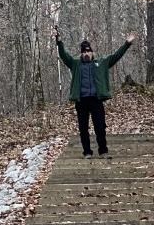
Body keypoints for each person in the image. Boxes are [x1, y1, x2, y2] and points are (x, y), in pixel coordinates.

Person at [55, 27, 136, 158]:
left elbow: (116, 56)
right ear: (81, 54)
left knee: (100, 127)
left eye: (88, 51)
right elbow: (64, 55)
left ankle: (103, 151)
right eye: (84, 52)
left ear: (92, 52)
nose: (86, 54)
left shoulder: (101, 62)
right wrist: (59, 41)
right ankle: (87, 152)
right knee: (83, 128)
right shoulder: (75, 64)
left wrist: (127, 44)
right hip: (81, 101)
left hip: (96, 100)